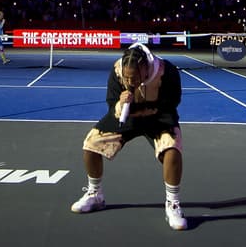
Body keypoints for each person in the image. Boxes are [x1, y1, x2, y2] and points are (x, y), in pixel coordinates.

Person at [70, 42, 187, 230]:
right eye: (127, 77)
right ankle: (95, 194)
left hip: (158, 118)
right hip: (127, 117)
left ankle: (172, 204)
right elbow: (111, 102)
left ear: (145, 68)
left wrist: (143, 108)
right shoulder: (117, 70)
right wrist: (120, 103)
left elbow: (173, 101)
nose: (130, 81)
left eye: (134, 77)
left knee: (172, 150)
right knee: (91, 145)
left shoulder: (166, 71)